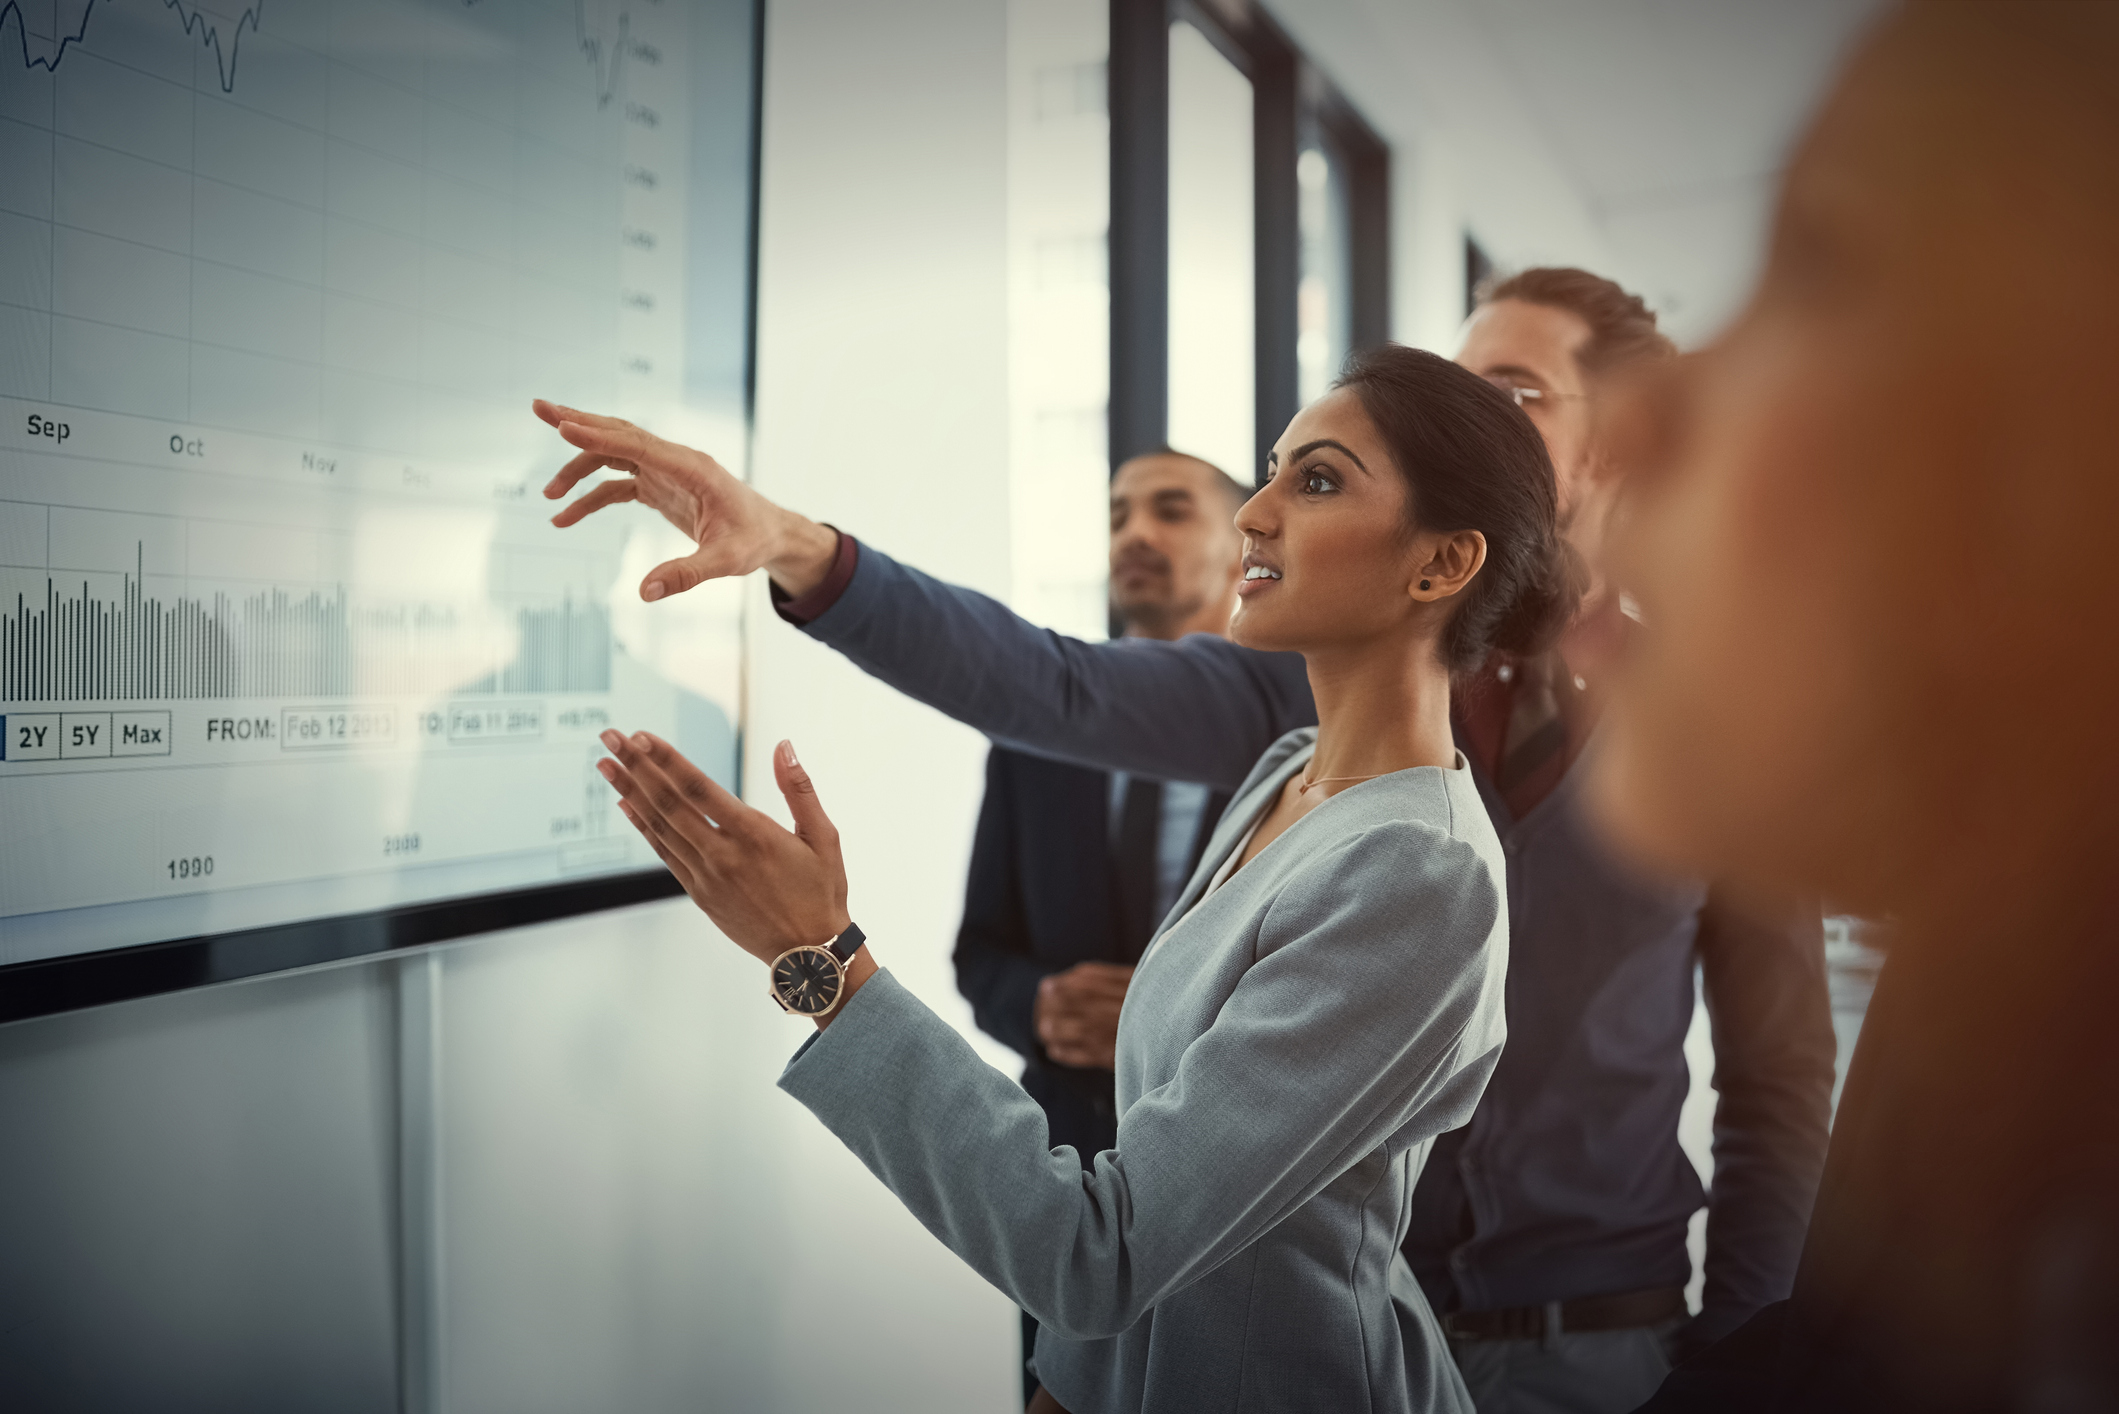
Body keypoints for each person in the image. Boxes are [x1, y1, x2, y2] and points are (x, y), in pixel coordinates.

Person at [531, 267, 1836, 1414]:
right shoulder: (1286, 749)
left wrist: (1739, 1357)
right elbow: (1052, 688)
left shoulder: (1655, 748)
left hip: (1590, 1335)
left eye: (1507, 385)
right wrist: (798, 547)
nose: (1250, 517)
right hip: (1342, 1318)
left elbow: (1776, 1079)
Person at [1574, 3, 2119, 1409]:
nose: (1627, 427)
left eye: (1818, 261)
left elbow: (1769, 1094)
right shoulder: (1988, 1016)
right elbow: (1850, 1345)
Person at [955, 450, 1243, 1402]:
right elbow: (980, 951)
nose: (1134, 535)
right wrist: (1036, 1005)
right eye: (1119, 513)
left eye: (1169, 510)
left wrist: (1174, 1014)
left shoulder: (1305, 734)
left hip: (1237, 1192)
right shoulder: (1035, 736)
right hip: (1062, 1181)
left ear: (1245, 546)